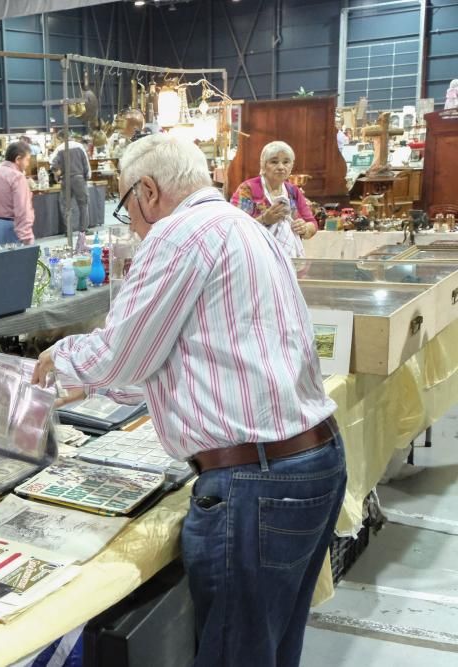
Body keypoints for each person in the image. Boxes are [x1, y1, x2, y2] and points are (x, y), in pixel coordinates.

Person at [32, 134, 346, 667]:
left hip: (256, 482)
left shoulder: (178, 234)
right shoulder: (241, 226)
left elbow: (124, 351)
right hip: (309, 462)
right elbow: (192, 350)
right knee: (270, 648)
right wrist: (96, 383)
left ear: (148, 190)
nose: (130, 221)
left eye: (126, 204)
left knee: (236, 655)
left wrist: (58, 358)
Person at [230, 140, 318, 258]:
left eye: (286, 162)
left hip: (289, 259)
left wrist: (304, 228)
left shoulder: (293, 191)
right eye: (274, 162)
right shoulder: (248, 189)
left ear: (291, 166)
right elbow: (234, 226)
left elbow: (312, 223)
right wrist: (264, 220)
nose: (281, 167)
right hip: (256, 257)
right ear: (263, 165)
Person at [51, 131, 92, 232]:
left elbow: (52, 163)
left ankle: (68, 230)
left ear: (60, 138)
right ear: (70, 136)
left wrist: (57, 174)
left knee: (66, 206)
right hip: (79, 179)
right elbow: (86, 163)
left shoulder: (59, 148)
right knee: (83, 204)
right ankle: (83, 229)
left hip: (66, 180)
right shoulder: (79, 146)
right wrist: (87, 176)